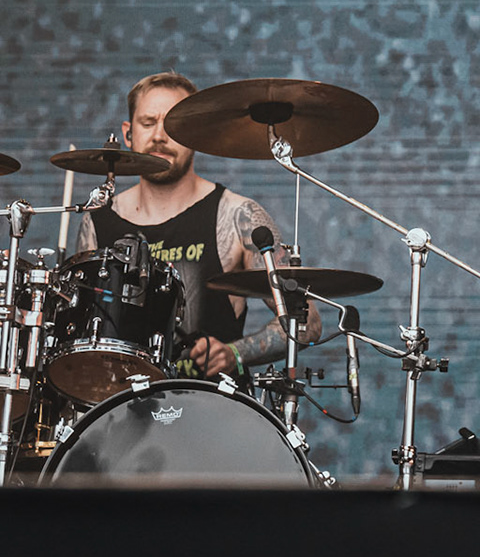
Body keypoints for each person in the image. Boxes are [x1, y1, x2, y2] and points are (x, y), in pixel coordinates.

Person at [77, 72, 311, 379]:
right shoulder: (97, 220)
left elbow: (305, 323)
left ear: (196, 133)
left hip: (213, 414)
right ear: (128, 133)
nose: (159, 135)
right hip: (121, 413)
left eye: (173, 125)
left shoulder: (237, 215)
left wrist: (234, 354)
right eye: (148, 122)